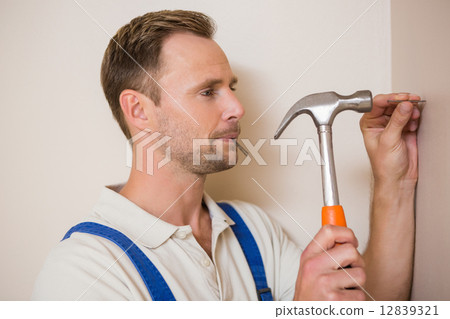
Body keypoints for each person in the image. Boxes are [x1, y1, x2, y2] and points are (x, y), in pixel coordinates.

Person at [32, 10, 421, 301]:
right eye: (208, 91)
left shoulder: (251, 229)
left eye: (230, 87)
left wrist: (394, 181)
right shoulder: (83, 273)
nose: (237, 107)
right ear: (139, 111)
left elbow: (371, 305)